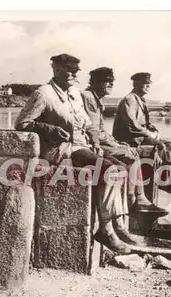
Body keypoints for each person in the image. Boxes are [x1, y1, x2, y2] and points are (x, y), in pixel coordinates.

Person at [14, 53, 133, 253]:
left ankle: (117, 224)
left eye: (76, 70)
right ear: (56, 69)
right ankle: (106, 229)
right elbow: (22, 123)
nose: (75, 73)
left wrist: (94, 137)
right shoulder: (43, 94)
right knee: (109, 170)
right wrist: (48, 129)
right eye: (70, 69)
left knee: (120, 168)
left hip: (82, 146)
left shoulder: (75, 93)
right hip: (62, 150)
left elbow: (87, 122)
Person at [80, 67, 169, 243]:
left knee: (128, 157)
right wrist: (111, 143)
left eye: (112, 80)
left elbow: (100, 130)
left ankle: (134, 204)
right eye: (107, 80)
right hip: (89, 145)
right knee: (128, 157)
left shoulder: (96, 100)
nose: (111, 84)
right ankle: (134, 201)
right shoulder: (89, 98)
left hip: (100, 141)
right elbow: (92, 131)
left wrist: (114, 142)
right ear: (95, 82)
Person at [112, 72, 171, 194]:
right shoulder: (129, 100)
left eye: (149, 85)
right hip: (129, 137)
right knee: (160, 146)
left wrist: (154, 131)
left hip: (139, 135)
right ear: (136, 84)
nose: (148, 87)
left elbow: (145, 123)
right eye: (146, 85)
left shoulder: (140, 100)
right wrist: (149, 134)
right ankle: (166, 183)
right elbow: (131, 125)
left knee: (169, 145)